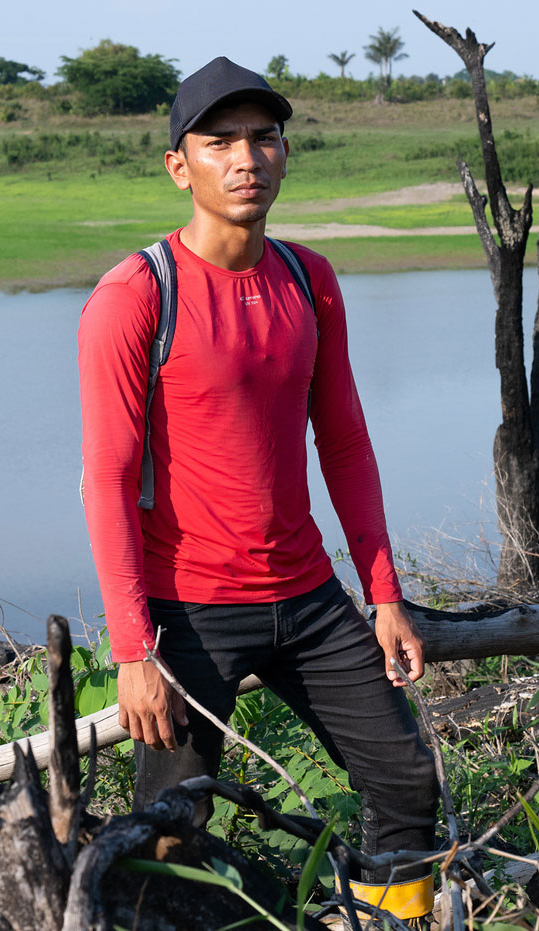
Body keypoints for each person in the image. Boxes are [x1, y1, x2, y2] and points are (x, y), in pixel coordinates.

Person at [77, 57, 439, 912]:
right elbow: (106, 480)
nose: (247, 158)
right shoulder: (135, 296)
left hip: (309, 599)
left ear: (284, 152)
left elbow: (344, 441)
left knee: (405, 780)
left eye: (264, 137)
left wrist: (384, 594)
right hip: (190, 611)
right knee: (172, 833)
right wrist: (133, 651)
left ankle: (382, 916)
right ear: (180, 165)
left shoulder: (309, 281)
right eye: (221, 142)